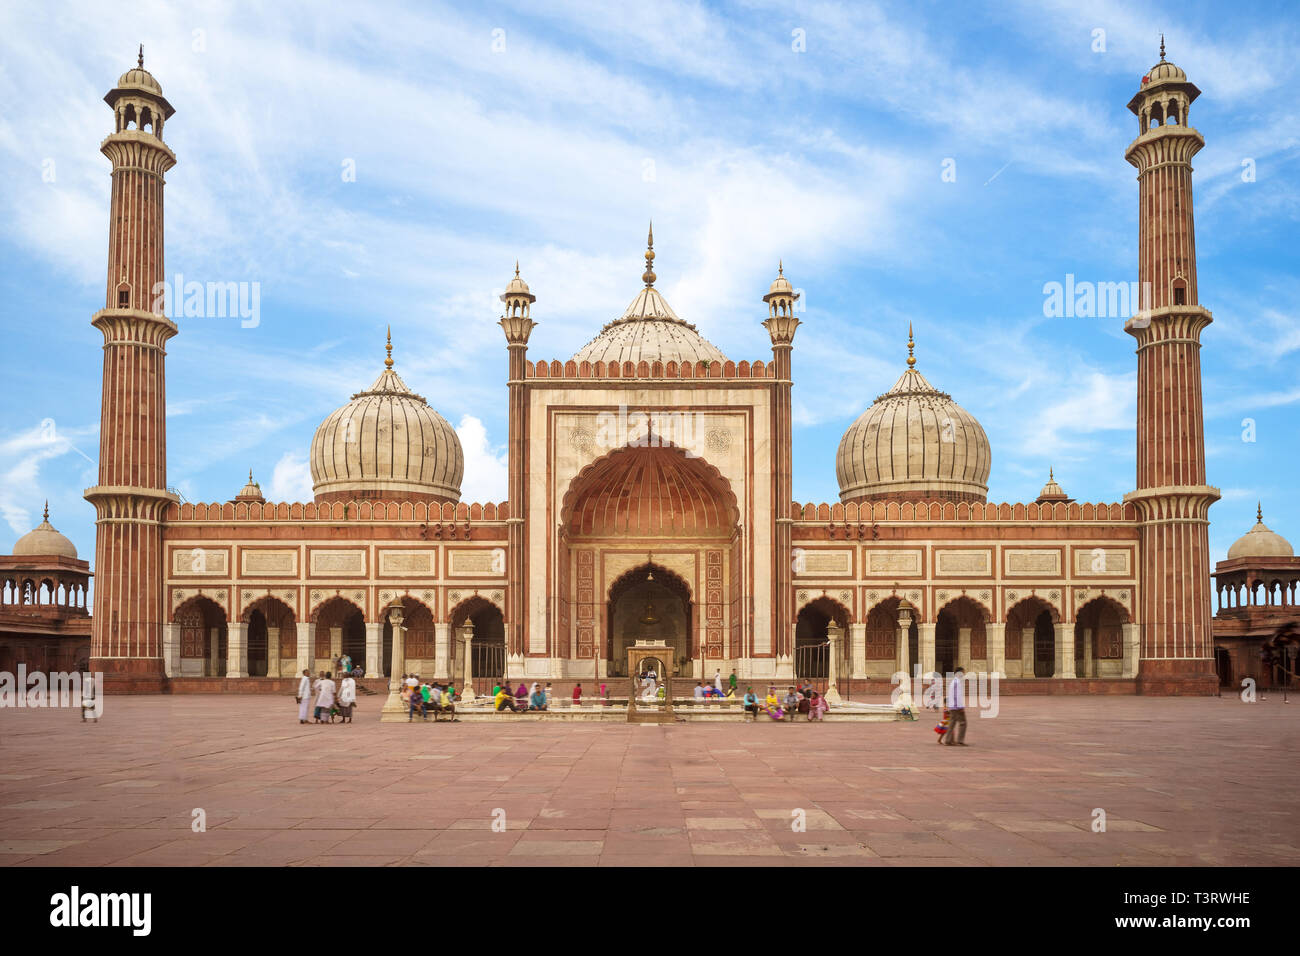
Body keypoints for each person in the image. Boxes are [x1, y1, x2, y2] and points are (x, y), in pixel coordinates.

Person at [943, 667, 968, 746]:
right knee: (963, 723)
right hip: (956, 706)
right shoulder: (957, 682)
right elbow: (957, 695)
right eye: (963, 672)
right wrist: (960, 707)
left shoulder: (953, 681)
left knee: (952, 723)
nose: (964, 674)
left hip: (952, 706)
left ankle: (948, 740)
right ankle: (960, 740)